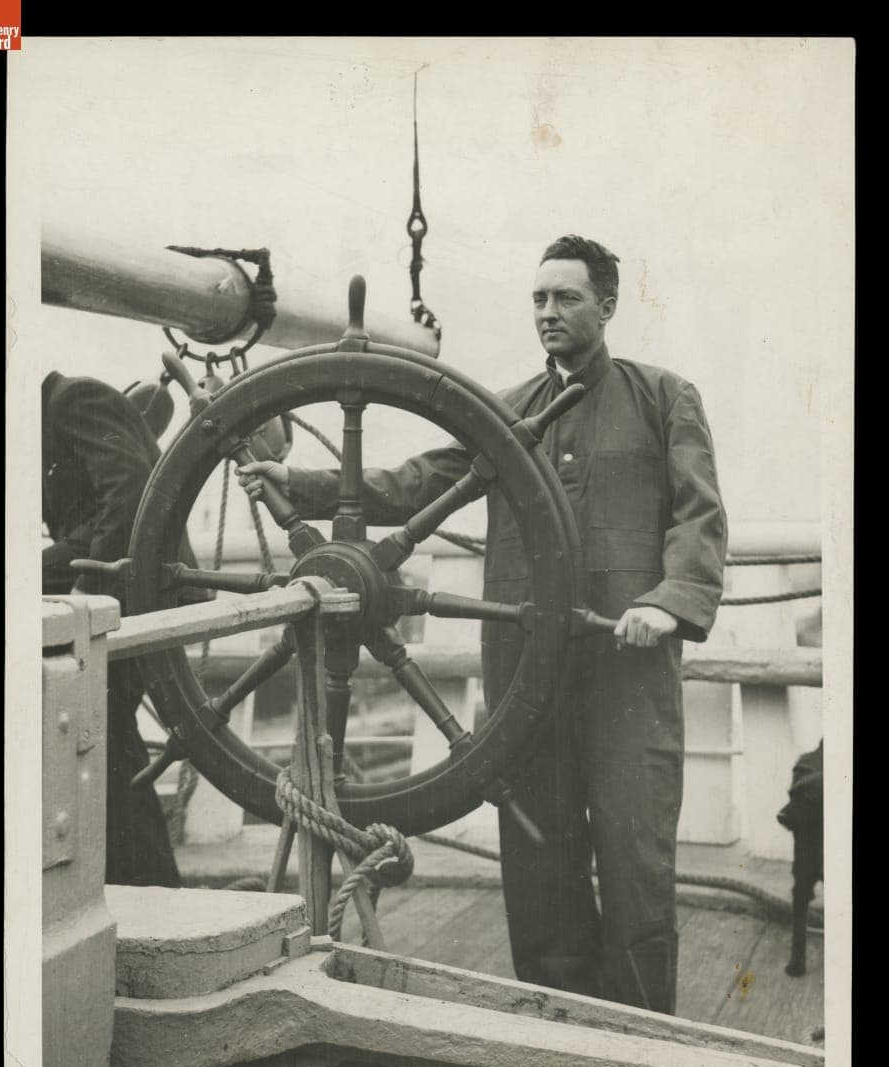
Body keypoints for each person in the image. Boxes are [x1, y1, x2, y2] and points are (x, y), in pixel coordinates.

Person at [237, 236, 727, 1027]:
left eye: (566, 298)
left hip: (627, 673)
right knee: (539, 860)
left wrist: (669, 601)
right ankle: (555, 1033)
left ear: (606, 306)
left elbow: (701, 514)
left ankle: (644, 1046)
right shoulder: (506, 412)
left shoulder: (665, 396)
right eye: (538, 299)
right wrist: (301, 483)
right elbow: (420, 480)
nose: (548, 313)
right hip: (525, 669)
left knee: (637, 862)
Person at [42, 369, 185, 888]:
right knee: (107, 743)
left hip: (131, 595)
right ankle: (147, 893)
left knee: (106, 743)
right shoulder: (48, 417)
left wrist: (82, 589)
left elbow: (129, 492)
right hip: (115, 593)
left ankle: (153, 896)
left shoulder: (72, 399)